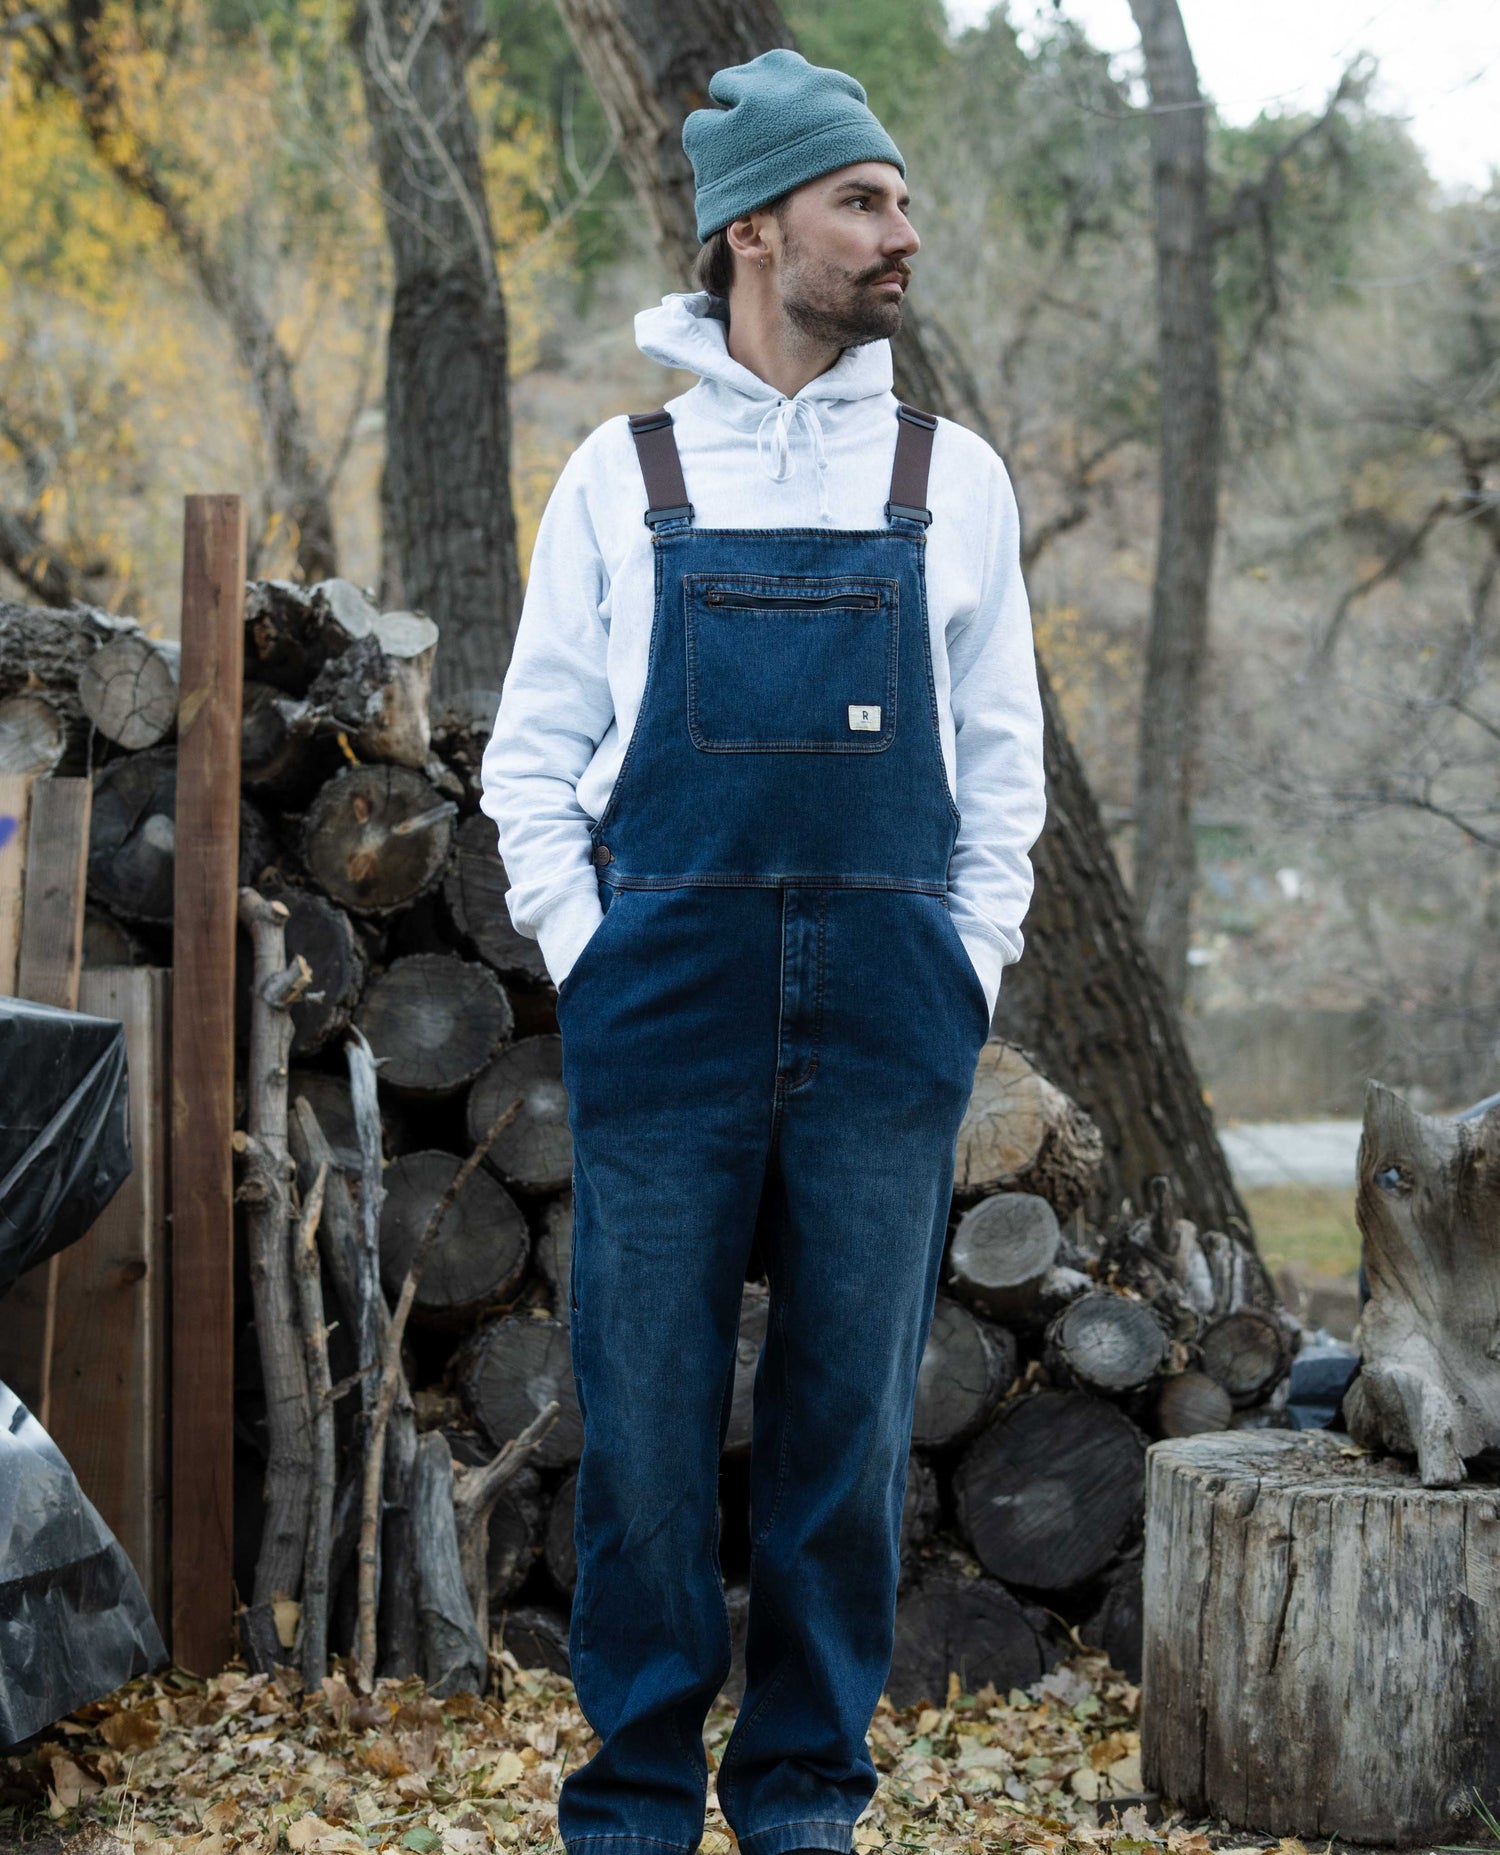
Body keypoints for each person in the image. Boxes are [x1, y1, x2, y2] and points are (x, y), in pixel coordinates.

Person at [480, 45, 1047, 1855]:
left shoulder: (948, 476)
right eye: (862, 201)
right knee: (644, 1444)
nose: (903, 233)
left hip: (891, 1006)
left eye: (900, 200)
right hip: (666, 1000)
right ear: (753, 229)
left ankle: (804, 1798)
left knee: (846, 1444)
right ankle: (635, 1807)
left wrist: (966, 960)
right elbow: (531, 758)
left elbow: (1002, 758)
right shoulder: (619, 470)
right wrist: (591, 949)